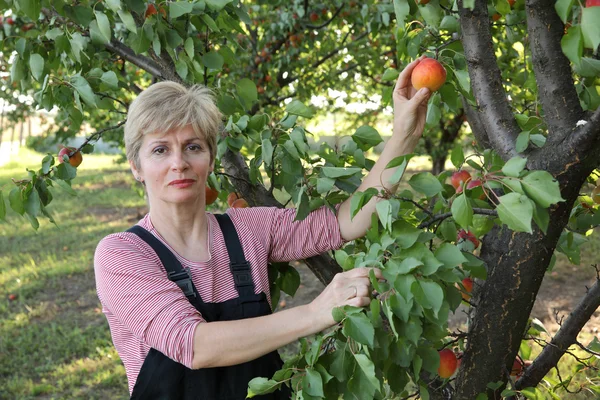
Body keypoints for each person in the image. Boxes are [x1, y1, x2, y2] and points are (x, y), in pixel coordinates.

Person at [94, 57, 431, 399]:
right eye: (160, 150)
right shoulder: (122, 254)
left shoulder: (249, 229)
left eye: (192, 147)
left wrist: (404, 134)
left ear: (210, 159)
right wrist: (315, 312)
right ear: (136, 166)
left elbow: (348, 220)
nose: (178, 163)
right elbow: (193, 346)